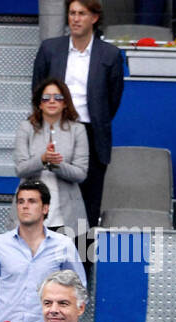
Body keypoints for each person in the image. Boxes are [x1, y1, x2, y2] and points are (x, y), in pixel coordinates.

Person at [32, 0, 125, 231]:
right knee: (50, 200)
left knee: (87, 207)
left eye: (81, 13)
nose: (75, 18)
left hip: (92, 134)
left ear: (94, 18)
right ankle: (48, 262)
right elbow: (38, 90)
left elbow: (112, 100)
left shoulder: (110, 54)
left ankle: (82, 263)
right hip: (55, 131)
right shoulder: (50, 49)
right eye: (72, 13)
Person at [0, 180, 86, 322]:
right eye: (21, 202)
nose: (25, 206)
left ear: (45, 208)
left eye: (32, 201)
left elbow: (79, 287)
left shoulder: (63, 245)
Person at [14, 78, 89, 234]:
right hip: (30, 210)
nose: (52, 101)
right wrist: (42, 160)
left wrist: (56, 165)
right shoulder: (26, 128)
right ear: (39, 104)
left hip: (66, 212)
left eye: (58, 97)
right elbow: (20, 169)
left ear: (65, 103)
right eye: (46, 98)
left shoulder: (78, 130)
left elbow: (81, 174)